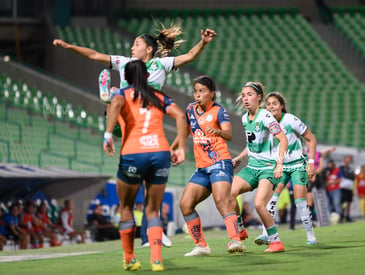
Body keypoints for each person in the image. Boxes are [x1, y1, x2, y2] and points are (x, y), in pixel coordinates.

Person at [103, 59, 186, 271]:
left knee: (126, 207)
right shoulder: (158, 96)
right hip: (160, 152)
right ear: (147, 77)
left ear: (126, 78)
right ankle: (156, 260)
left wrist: (107, 135)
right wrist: (181, 148)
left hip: (134, 153)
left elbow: (115, 105)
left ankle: (130, 257)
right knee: (152, 209)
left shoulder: (121, 94)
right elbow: (181, 116)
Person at [171, 75, 244, 256]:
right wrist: (172, 149)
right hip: (202, 168)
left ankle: (236, 240)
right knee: (185, 204)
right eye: (196, 91)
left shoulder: (219, 111)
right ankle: (201, 245)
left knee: (221, 200)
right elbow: (185, 132)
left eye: (202, 91)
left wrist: (217, 131)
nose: (197, 94)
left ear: (212, 94)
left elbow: (228, 135)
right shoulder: (190, 110)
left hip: (220, 162)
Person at [52, 22, 217, 100]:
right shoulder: (125, 62)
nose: (132, 48)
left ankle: (112, 94)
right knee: (118, 101)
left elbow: (189, 56)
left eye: (137, 45)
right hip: (127, 105)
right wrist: (68, 46)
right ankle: (109, 95)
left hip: (147, 107)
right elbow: (94, 55)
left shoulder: (161, 64)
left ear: (149, 49)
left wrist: (203, 42)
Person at [253, 92, 317, 245]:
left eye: (275, 103)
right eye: (268, 104)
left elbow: (311, 138)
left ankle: (311, 236)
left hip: (296, 164)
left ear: (282, 106)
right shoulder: (265, 123)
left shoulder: (290, 120)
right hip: (279, 166)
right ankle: (265, 234)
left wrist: (311, 162)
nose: (271, 107)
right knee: (271, 198)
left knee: (300, 201)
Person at [231, 82, 288, 253]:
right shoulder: (244, 118)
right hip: (252, 167)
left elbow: (283, 140)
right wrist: (240, 158)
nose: (245, 98)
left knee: (259, 204)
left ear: (259, 98)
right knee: (229, 193)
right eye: (243, 95)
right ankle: (240, 228)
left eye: (249, 94)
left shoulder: (265, 116)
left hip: (268, 168)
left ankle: (276, 242)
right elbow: (251, 144)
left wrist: (279, 164)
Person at [339, 155, 355, 222]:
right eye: (347, 159)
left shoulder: (351, 168)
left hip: (349, 187)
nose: (348, 160)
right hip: (343, 187)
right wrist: (348, 176)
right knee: (342, 202)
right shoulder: (341, 168)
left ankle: (348, 216)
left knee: (349, 202)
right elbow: (342, 175)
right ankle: (342, 215)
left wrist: (348, 176)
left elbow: (353, 177)